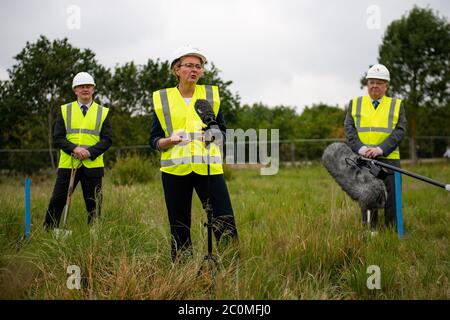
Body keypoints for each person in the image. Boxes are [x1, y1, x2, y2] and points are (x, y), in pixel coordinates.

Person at [149, 45, 238, 261]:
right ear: (176, 70)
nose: (194, 70)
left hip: (208, 168)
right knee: (179, 224)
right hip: (174, 171)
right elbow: (153, 140)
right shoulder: (162, 99)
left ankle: (232, 265)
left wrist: (214, 135)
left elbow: (223, 133)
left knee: (223, 219)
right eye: (189, 65)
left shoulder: (211, 95)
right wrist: (168, 141)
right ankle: (182, 269)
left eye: (198, 66)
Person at [43, 72, 112, 229]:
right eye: (81, 87)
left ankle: (94, 237)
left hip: (93, 166)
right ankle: (48, 232)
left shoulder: (102, 112)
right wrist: (74, 148)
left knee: (94, 205)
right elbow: (58, 137)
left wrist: (88, 152)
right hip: (69, 164)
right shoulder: (65, 110)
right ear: (75, 90)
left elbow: (107, 140)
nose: (85, 89)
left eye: (88, 86)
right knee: (57, 201)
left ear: (93, 89)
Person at [344, 64, 406, 229]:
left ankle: (391, 230)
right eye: (371, 82)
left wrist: (381, 149)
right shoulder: (355, 103)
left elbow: (399, 131)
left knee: (392, 198)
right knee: (368, 196)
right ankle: (371, 231)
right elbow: (349, 131)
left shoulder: (397, 105)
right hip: (365, 159)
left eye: (379, 82)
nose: (375, 86)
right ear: (367, 84)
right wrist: (361, 149)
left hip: (389, 159)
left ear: (386, 85)